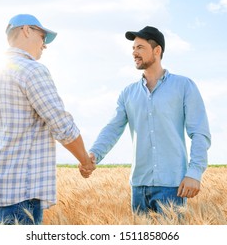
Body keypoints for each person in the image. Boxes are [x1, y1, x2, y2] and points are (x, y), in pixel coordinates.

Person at [0, 14, 95, 225]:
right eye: (42, 36)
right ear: (26, 30)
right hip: (19, 194)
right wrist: (85, 161)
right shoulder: (33, 70)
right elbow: (61, 125)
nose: (45, 45)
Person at [83, 26, 211, 215]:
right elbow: (112, 128)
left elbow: (200, 132)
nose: (134, 53)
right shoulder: (128, 93)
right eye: (133, 48)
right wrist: (93, 154)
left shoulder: (184, 86)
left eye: (140, 47)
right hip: (139, 187)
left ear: (157, 51)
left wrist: (194, 173)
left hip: (173, 186)